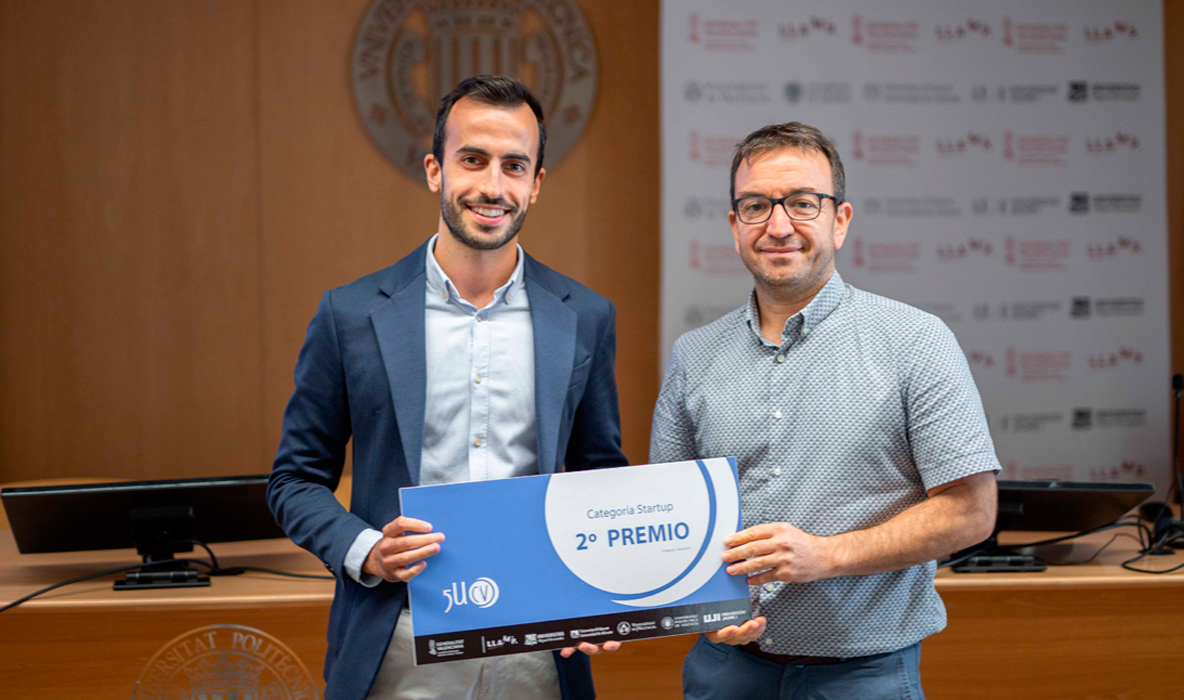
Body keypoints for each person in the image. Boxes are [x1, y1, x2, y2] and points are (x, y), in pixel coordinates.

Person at [267, 75, 626, 700]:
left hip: (537, 640)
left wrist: (604, 590)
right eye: (473, 160)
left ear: (536, 184)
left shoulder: (585, 317)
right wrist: (366, 549)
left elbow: (600, 477)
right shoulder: (350, 314)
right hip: (398, 637)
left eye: (514, 166)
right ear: (435, 170)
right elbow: (294, 481)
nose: (493, 186)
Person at [649, 121, 1000, 700]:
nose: (778, 226)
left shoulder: (916, 341)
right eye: (756, 206)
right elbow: (669, 519)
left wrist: (827, 554)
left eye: (802, 203)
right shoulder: (694, 356)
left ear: (840, 220)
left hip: (864, 676)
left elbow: (971, 512)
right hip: (725, 671)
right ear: (735, 227)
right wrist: (698, 608)